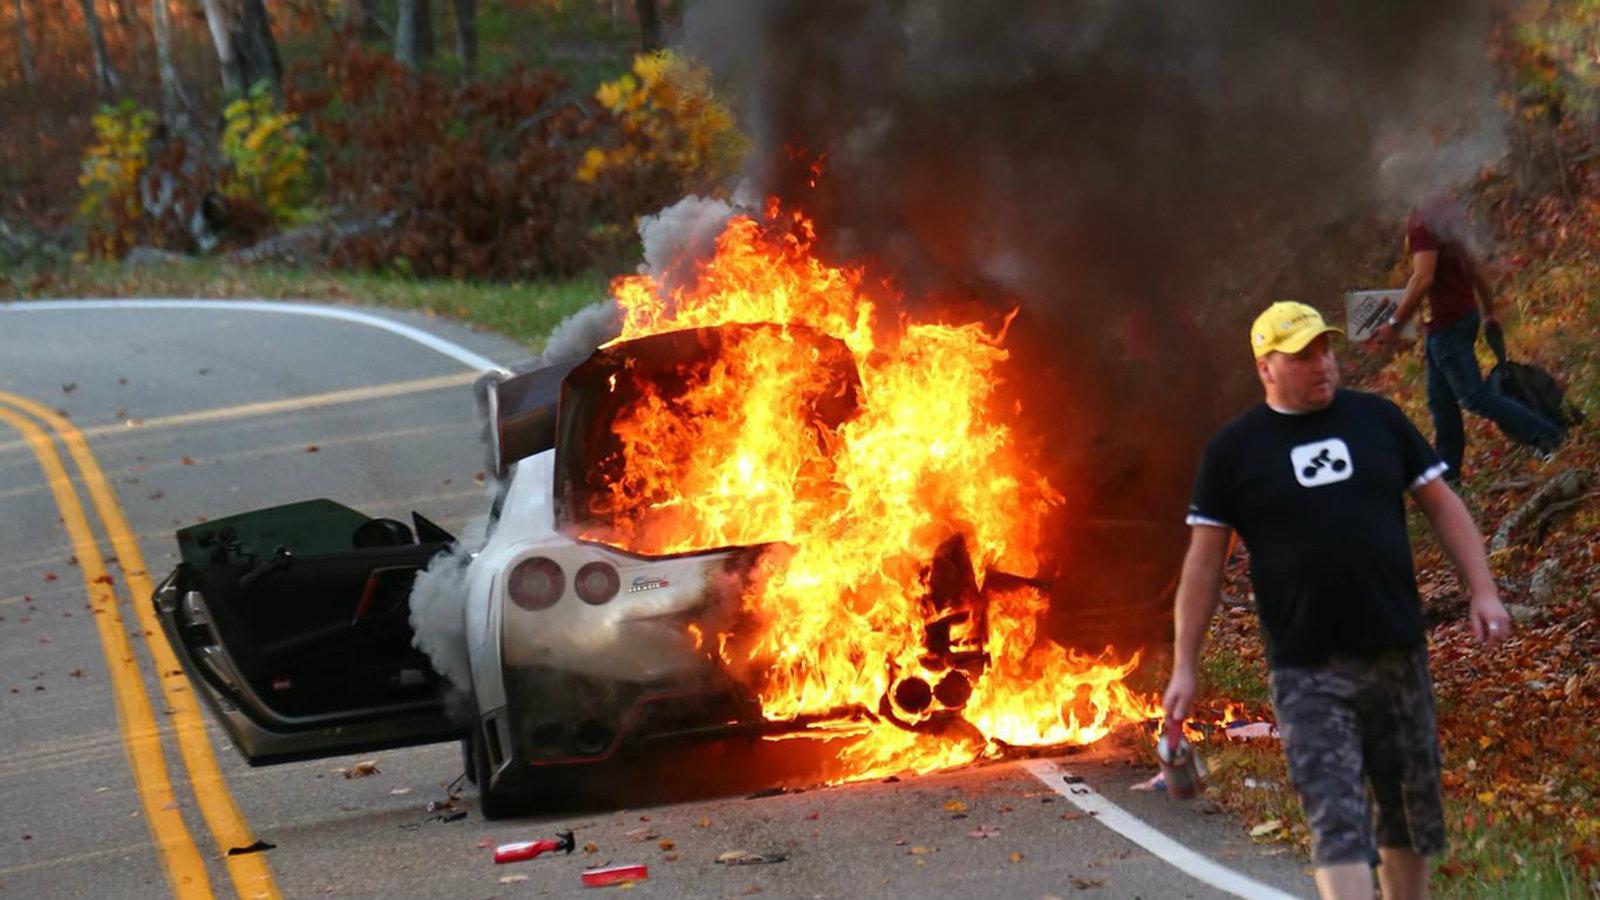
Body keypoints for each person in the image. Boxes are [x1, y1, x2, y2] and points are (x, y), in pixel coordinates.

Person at [1163, 301, 1512, 900]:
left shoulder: (1377, 420)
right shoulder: (1234, 452)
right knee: (1337, 822)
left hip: (1396, 653)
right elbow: (1203, 565)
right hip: (1307, 670)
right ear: (1266, 367)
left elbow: (1442, 505)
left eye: (1325, 349)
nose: (1322, 364)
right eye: (1302, 356)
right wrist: (1186, 665)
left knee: (1406, 816)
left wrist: (1482, 589)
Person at [1374, 196, 1564, 481]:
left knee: (1475, 397)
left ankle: (1547, 436)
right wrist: (1489, 310)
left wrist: (1393, 323)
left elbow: (1422, 278)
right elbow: (1473, 266)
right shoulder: (1444, 210)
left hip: (1447, 325)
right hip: (1460, 318)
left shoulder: (1421, 224)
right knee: (1441, 404)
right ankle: (1448, 475)